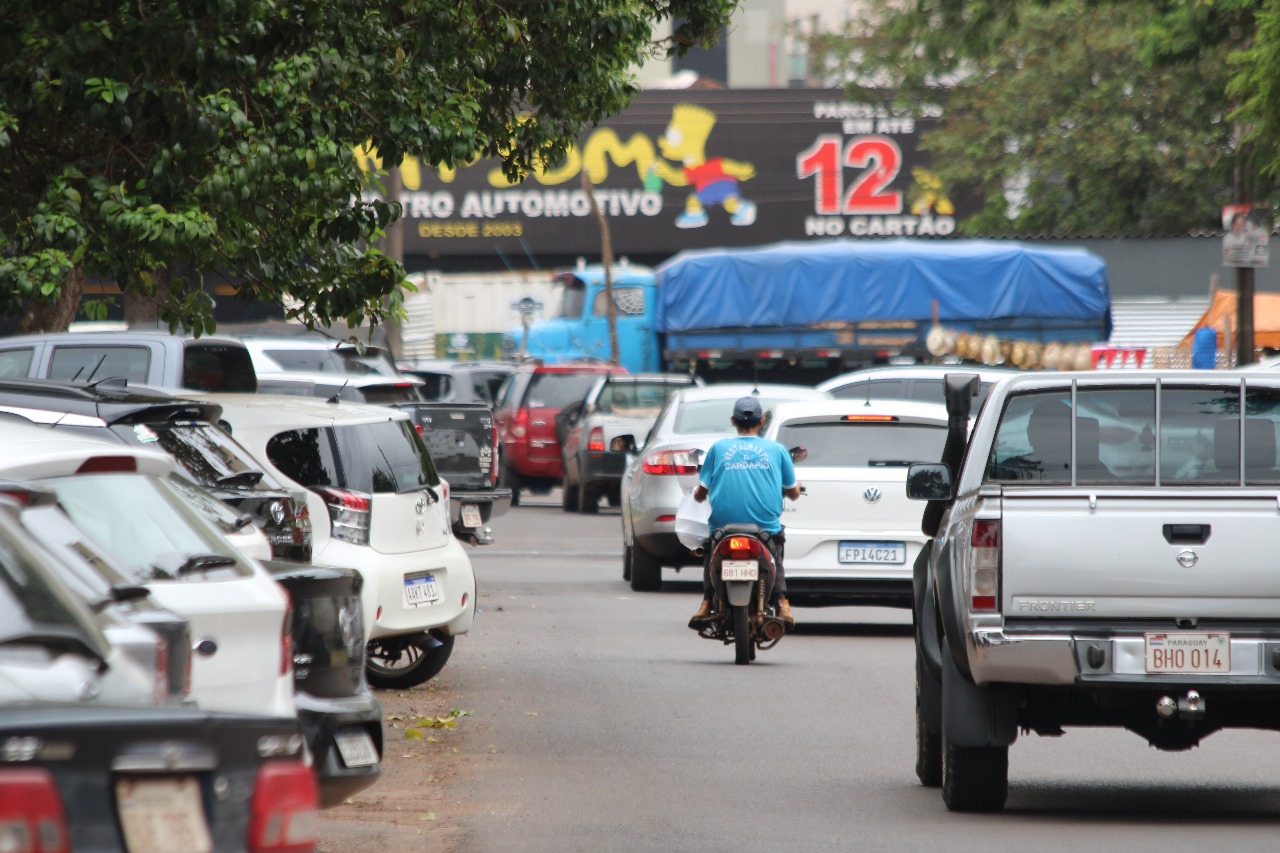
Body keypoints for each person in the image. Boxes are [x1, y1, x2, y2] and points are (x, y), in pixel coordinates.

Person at [687, 396, 802, 628]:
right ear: (761, 421)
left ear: (733, 420)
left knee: (711, 548)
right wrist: (791, 489)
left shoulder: (719, 448)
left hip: (724, 526)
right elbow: (794, 493)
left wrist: (696, 494)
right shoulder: (777, 450)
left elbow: (701, 493)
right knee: (776, 548)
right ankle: (782, 602)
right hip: (764, 527)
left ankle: (707, 602)